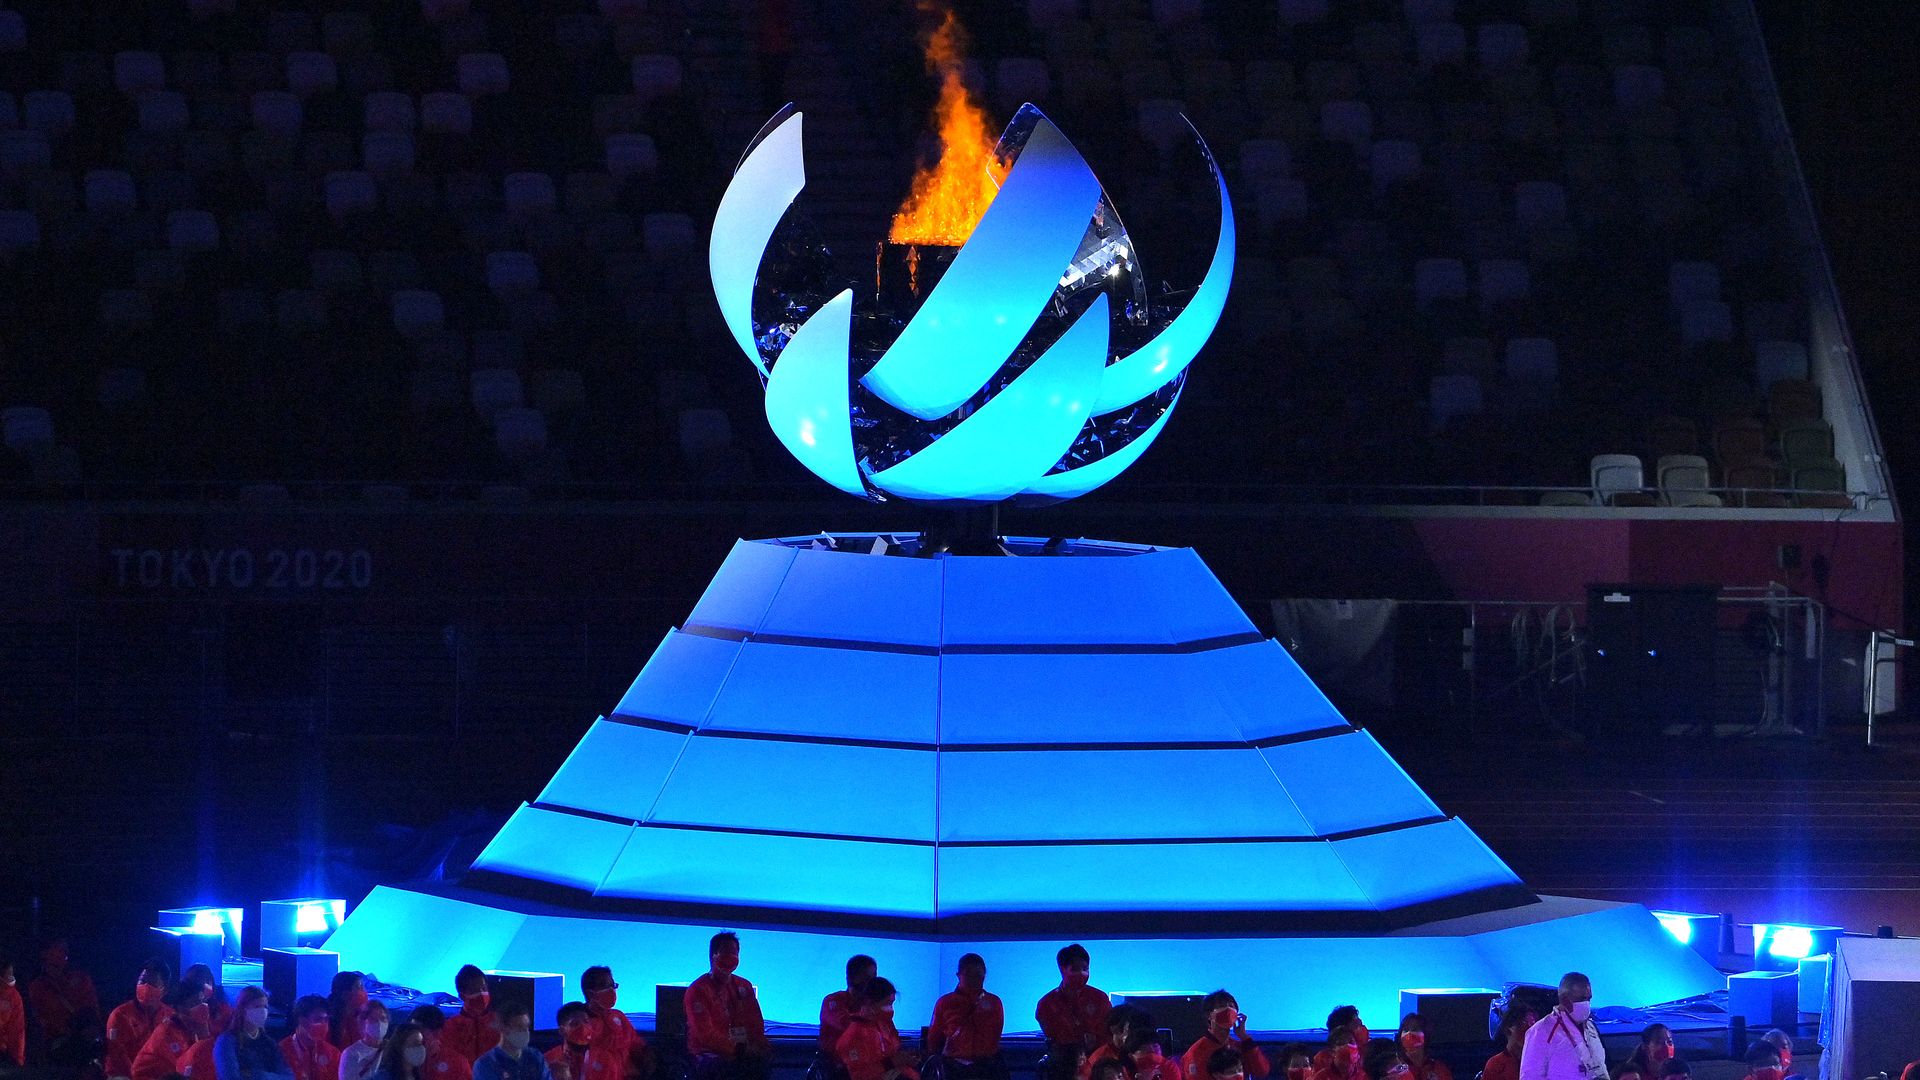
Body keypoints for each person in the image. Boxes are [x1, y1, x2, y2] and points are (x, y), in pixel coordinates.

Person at [683, 933, 769, 1080]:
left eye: (734, 953)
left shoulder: (744, 986)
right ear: (713, 955)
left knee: (761, 1063)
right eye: (725, 952)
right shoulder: (698, 990)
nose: (730, 956)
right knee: (725, 1069)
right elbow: (705, 1035)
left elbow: (755, 1023)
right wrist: (739, 1050)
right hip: (707, 1054)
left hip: (742, 1051)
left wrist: (759, 1045)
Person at [929, 954, 1003, 1080]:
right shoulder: (945, 1002)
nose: (974, 978)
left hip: (985, 1066)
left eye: (978, 974)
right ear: (958, 975)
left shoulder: (994, 1002)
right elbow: (934, 1037)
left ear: (984, 974)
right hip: (953, 1066)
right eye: (969, 974)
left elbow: (995, 1034)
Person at [1519, 973, 1605, 1080]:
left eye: (1589, 999)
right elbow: (1530, 1076)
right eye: (1582, 999)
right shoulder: (1541, 1031)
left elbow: (1601, 1067)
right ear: (1564, 1000)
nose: (1586, 1003)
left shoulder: (1591, 1028)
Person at [30, 937, 103, 1058]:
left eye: (65, 949)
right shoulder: (37, 986)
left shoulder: (81, 978)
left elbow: (92, 1008)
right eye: (58, 949)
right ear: (44, 953)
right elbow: (39, 1017)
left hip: (86, 1036)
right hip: (58, 1041)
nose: (64, 953)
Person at [835, 977, 917, 1080]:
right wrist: (891, 1062)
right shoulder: (853, 1035)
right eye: (887, 1003)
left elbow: (894, 1051)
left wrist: (907, 1060)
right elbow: (859, 1074)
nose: (891, 1009)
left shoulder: (885, 1025)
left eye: (892, 1004)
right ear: (869, 1002)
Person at [580, 966, 653, 1080]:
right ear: (590, 993)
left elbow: (636, 1044)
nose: (611, 990)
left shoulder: (618, 1016)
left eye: (612, 985)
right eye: (605, 985)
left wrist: (647, 1056)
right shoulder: (581, 1022)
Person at [134, 977, 214, 1080]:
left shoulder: (190, 1028)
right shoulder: (168, 1032)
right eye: (196, 1003)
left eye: (202, 1002)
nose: (202, 1007)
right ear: (180, 1007)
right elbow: (186, 1068)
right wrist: (204, 1037)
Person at [108, 961, 175, 1080]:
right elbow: (117, 1058)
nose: (145, 987)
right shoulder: (120, 1015)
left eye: (152, 984)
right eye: (142, 981)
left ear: (165, 990)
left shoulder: (171, 1016)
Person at [1036, 946, 1108, 1056]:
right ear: (1062, 969)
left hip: (1098, 1061)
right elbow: (1054, 1040)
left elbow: (1108, 1032)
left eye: (1085, 969)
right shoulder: (1047, 1004)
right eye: (1075, 969)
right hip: (1064, 1063)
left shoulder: (1100, 998)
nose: (1081, 973)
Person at [1183, 992, 1268, 1080]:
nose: (1228, 1009)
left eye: (1231, 1006)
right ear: (1209, 1015)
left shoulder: (1239, 1046)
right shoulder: (1196, 1052)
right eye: (1222, 1005)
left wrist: (1245, 1037)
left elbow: (1261, 1071)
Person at [214, 987, 292, 1080]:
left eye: (265, 1007)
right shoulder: (227, 1041)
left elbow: (288, 1077)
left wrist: (256, 1075)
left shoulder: (269, 1043)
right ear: (243, 1009)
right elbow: (230, 1077)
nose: (262, 1011)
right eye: (257, 1006)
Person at [473, 1001, 549, 1080]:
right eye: (519, 1027)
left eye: (527, 1026)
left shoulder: (536, 1057)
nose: (525, 1032)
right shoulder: (486, 1064)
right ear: (503, 1028)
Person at [822, 956, 878, 1054]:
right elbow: (846, 1024)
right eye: (866, 977)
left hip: (868, 1062)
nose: (872, 982)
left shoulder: (875, 1002)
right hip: (836, 1063)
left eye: (874, 977)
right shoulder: (833, 1001)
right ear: (851, 978)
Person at [444, 969, 498, 1067]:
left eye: (484, 989)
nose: (482, 994)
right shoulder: (450, 1027)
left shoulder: (499, 1022)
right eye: (475, 991)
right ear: (462, 996)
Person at [547, 1003, 614, 1080]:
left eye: (586, 1021)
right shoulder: (549, 1060)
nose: (583, 1027)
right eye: (575, 1024)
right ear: (562, 1031)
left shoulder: (605, 1059)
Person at [282, 996, 342, 1080]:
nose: (323, 1025)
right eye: (318, 1020)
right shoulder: (282, 1051)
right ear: (302, 1021)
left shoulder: (332, 1053)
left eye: (326, 1020)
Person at [1083, 1006, 1148, 1080]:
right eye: (1113, 1033)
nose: (1117, 1038)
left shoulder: (1148, 1052)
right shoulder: (1101, 1057)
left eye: (1120, 1031)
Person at [411, 1006, 473, 1080]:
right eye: (410, 1029)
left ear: (437, 1033)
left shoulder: (456, 1063)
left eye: (419, 1030)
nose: (413, 1035)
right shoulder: (401, 1059)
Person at [1482, 1006, 1537, 1080]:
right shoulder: (1496, 1064)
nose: (1530, 1029)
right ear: (1510, 1026)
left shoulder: (1540, 1061)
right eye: (1525, 1023)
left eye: (1533, 1024)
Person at [340, 1002, 390, 1080]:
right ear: (363, 1022)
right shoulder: (351, 1053)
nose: (379, 1023)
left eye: (383, 1019)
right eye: (373, 1019)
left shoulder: (391, 1048)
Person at [182, 967, 233, 1036]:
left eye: (206, 983)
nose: (200, 991)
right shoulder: (181, 1009)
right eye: (197, 986)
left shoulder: (223, 1009)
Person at [330, 974, 370, 1051]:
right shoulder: (329, 1020)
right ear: (345, 994)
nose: (364, 992)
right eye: (359, 988)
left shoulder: (363, 1017)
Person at [0, 957, 26, 1070]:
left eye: (12, 973)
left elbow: (17, 1029)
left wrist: (18, 1059)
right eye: (8, 974)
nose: (11, 977)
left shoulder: (14, 997)